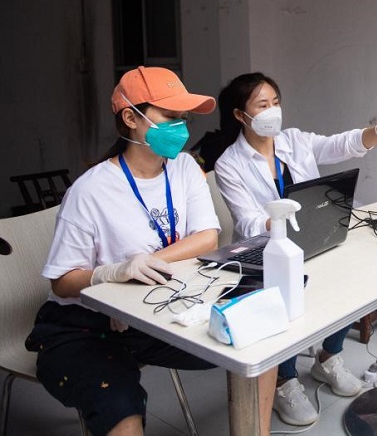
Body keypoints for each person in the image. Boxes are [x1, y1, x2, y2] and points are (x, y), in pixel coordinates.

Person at [25, 66, 276, 436]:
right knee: (121, 410)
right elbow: (63, 283)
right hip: (83, 326)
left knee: (259, 339)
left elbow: (207, 236)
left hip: (159, 308)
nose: (182, 126)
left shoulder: (185, 167)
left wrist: (149, 264)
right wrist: (109, 273)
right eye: (170, 116)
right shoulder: (91, 190)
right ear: (130, 117)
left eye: (183, 117)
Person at [213, 72, 377, 426]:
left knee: (353, 282)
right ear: (239, 115)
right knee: (286, 302)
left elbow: (343, 144)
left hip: (316, 238)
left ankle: (328, 357)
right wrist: (284, 215)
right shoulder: (228, 163)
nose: (273, 111)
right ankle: (285, 380)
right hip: (267, 252)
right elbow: (247, 223)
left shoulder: (294, 140)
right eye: (262, 105)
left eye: (276, 103)